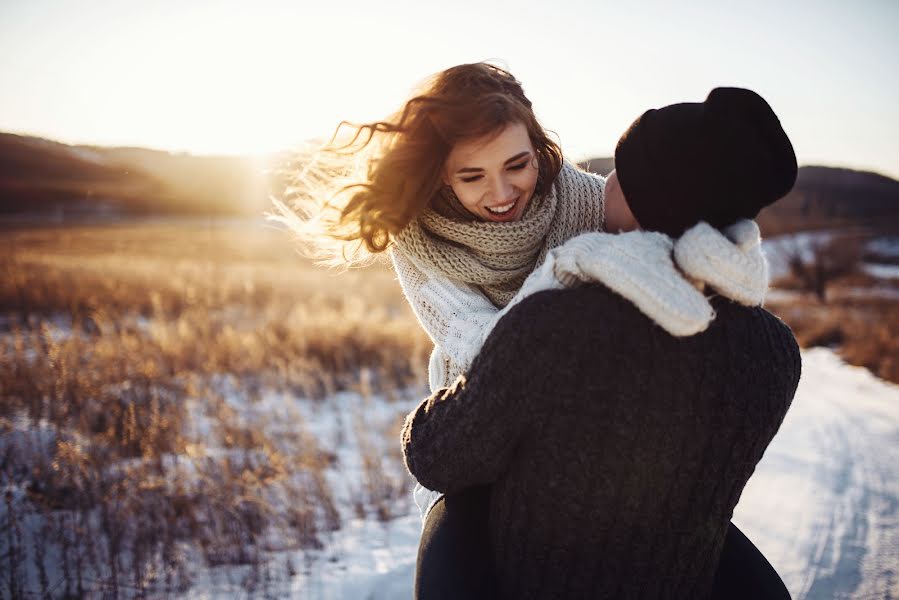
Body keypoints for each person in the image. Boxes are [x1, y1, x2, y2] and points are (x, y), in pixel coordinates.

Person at [270, 63, 788, 598]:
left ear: (539, 149)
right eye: (471, 176)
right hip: (479, 413)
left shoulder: (590, 200)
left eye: (517, 165)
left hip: (593, 426)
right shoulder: (420, 240)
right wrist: (574, 270)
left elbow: (675, 239)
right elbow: (482, 345)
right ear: (442, 174)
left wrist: (712, 251)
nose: (500, 192)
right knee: (453, 550)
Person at [401, 87, 801, 599]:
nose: (603, 181)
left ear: (644, 197)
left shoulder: (556, 320)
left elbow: (440, 457)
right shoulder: (775, 352)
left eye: (621, 171)